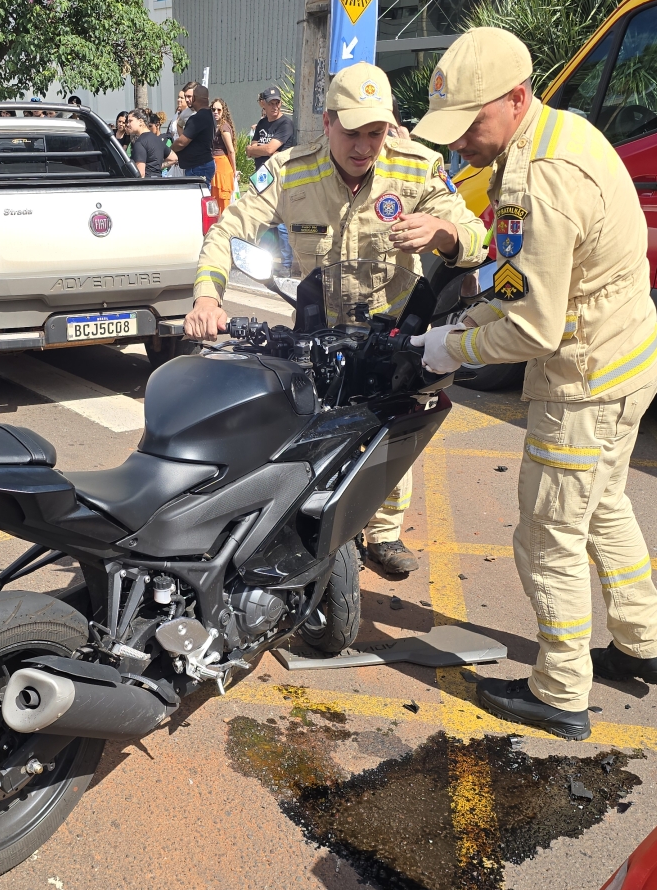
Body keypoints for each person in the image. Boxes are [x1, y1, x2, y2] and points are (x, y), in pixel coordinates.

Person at [410, 27, 657, 741]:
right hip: (628, 360)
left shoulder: (541, 180)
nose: (459, 142)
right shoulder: (556, 136)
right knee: (602, 505)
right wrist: (481, 306)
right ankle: (642, 646)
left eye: (470, 124)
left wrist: (450, 346)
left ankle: (560, 691)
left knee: (548, 532)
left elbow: (534, 330)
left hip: (586, 383)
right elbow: (523, 274)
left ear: (516, 97)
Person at [184, 62, 487, 575]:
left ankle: (385, 532)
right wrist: (207, 298)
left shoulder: (418, 167)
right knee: (308, 423)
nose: (365, 147)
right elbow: (226, 232)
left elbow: (475, 236)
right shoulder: (290, 171)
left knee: (394, 422)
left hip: (394, 326)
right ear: (327, 123)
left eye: (376, 132)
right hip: (318, 323)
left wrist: (444, 231)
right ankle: (309, 514)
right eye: (352, 132)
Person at [246, 87, 295, 272]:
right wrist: (259, 148)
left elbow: (267, 150)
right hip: (261, 174)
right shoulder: (261, 123)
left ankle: (285, 264)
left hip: (278, 174)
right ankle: (265, 259)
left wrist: (260, 148)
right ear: (263, 104)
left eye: (277, 102)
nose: (275, 106)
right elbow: (249, 149)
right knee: (260, 217)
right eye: (271, 103)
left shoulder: (285, 124)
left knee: (280, 221)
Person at [171, 82, 215, 179]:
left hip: (198, 166)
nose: (187, 100)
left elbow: (181, 142)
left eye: (190, 97)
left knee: (197, 193)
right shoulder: (209, 114)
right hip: (202, 163)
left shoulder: (198, 118)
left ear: (195, 98)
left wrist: (171, 149)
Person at [210, 98, 237, 213]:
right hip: (215, 165)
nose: (215, 112)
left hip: (223, 166)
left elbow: (231, 150)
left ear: (223, 111)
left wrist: (234, 170)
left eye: (219, 110)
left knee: (223, 200)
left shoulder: (223, 127)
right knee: (215, 200)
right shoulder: (213, 126)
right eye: (213, 109)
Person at [127, 108, 165, 177]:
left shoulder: (140, 142)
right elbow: (173, 158)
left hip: (147, 184)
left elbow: (141, 174)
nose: (127, 124)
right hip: (159, 182)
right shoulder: (157, 139)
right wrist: (156, 168)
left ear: (141, 121)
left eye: (130, 121)